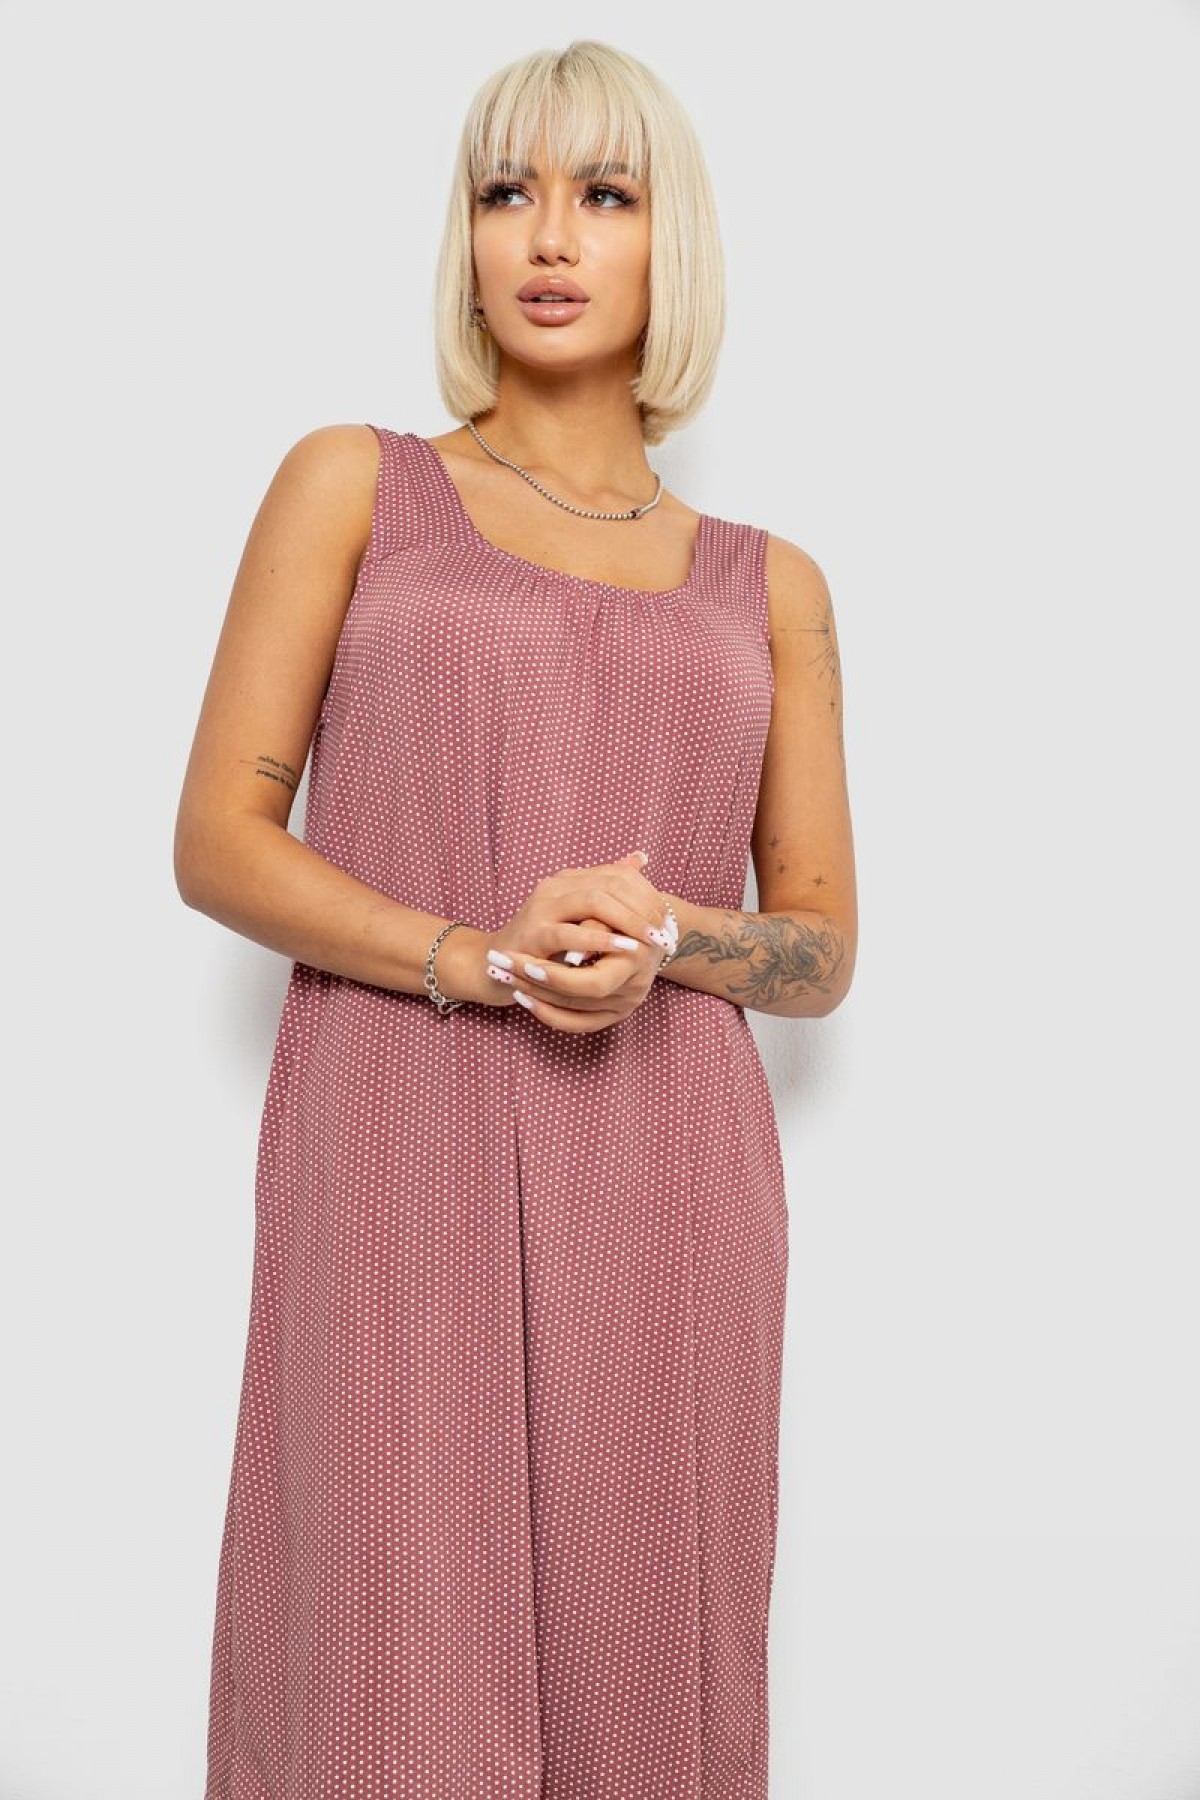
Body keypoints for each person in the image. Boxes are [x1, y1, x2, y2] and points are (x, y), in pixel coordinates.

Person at [175, 37, 857, 1800]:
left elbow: (820, 946)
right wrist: (476, 960)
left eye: (603, 194)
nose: (548, 236)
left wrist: (668, 933)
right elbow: (219, 838)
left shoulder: (771, 584)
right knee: (384, 1666)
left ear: (669, 239)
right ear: (466, 237)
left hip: (670, 1169)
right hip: (399, 1128)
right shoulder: (356, 483)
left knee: (648, 1660)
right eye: (507, 192)